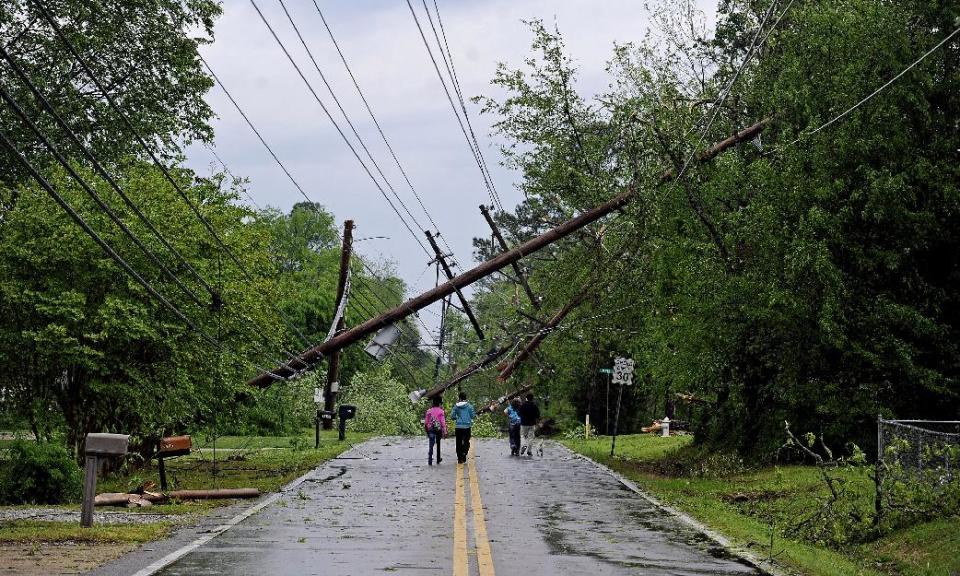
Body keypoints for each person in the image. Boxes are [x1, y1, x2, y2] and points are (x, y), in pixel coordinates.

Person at [451, 391, 476, 464]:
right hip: (467, 426)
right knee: (466, 441)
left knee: (458, 442)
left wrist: (457, 418)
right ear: (466, 398)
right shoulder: (469, 406)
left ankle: (459, 459)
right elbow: (472, 416)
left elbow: (452, 416)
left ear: (459, 398)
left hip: (458, 427)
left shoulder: (456, 406)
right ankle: (464, 452)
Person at [424, 396, 447, 466]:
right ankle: (438, 458)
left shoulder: (429, 411)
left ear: (433, 403)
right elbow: (443, 423)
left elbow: (426, 423)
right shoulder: (441, 411)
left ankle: (430, 460)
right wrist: (445, 431)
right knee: (438, 443)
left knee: (431, 445)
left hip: (430, 429)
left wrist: (427, 431)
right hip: (438, 429)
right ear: (440, 403)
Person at [518, 393, 540, 457]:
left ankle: (524, 445)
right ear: (532, 398)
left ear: (526, 398)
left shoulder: (522, 405)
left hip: (523, 423)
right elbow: (538, 415)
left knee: (522, 436)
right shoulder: (535, 406)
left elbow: (519, 414)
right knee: (531, 437)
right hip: (532, 424)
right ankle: (529, 451)